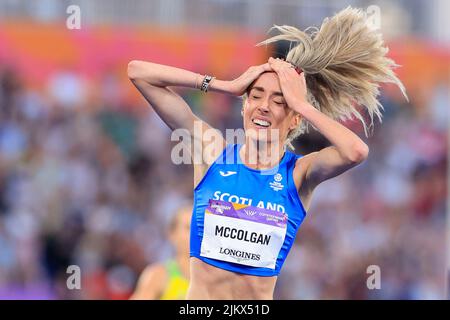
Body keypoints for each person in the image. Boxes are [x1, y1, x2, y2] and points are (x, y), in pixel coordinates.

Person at [127, 7, 406, 300]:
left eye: (278, 101)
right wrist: (225, 85)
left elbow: (356, 151)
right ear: (245, 106)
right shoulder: (213, 152)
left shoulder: (298, 174)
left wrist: (302, 104)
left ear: (294, 118)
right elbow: (138, 73)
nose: (263, 106)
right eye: (256, 95)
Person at [130, 204, 191, 300]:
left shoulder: (216, 280)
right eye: (189, 228)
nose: (196, 233)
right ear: (172, 234)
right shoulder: (158, 275)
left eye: (201, 227)